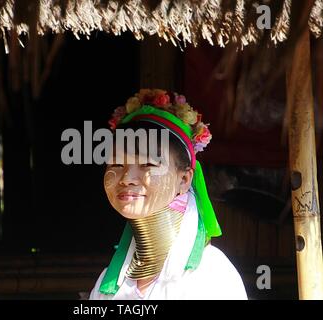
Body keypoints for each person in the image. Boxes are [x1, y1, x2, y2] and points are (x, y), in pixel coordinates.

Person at [89, 89, 247, 300]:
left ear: (184, 179)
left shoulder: (212, 276)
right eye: (117, 163)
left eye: (148, 164)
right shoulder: (107, 285)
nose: (126, 178)